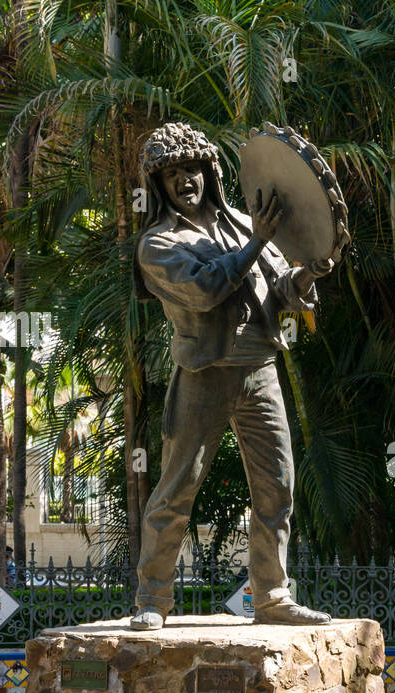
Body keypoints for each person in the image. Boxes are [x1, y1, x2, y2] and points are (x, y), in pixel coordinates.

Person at [129, 122, 332, 629]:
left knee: (277, 485)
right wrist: (258, 240)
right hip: (204, 373)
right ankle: (152, 600)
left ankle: (272, 595)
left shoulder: (245, 224)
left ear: (210, 171)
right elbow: (204, 290)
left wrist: (309, 272)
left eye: (192, 168)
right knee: (177, 490)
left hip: (259, 367)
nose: (184, 180)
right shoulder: (158, 244)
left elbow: (280, 291)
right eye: (171, 173)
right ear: (159, 185)